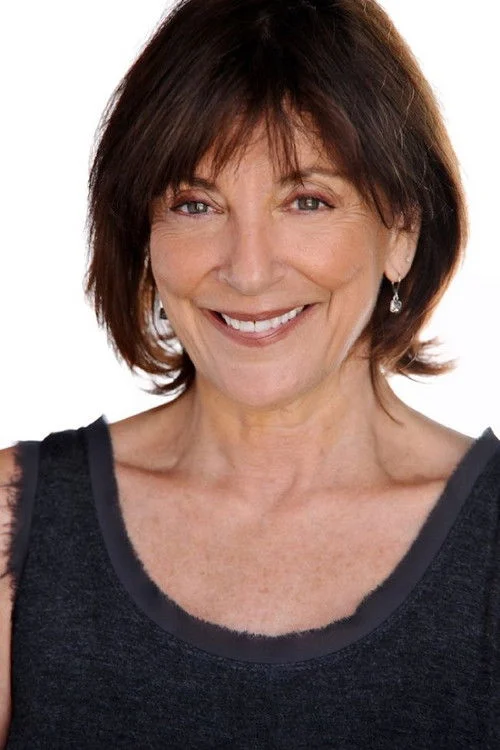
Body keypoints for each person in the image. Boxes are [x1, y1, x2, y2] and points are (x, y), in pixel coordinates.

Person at [1, 0, 498, 746]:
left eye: (307, 201)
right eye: (196, 205)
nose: (248, 270)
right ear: (144, 236)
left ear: (402, 228)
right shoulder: (15, 524)